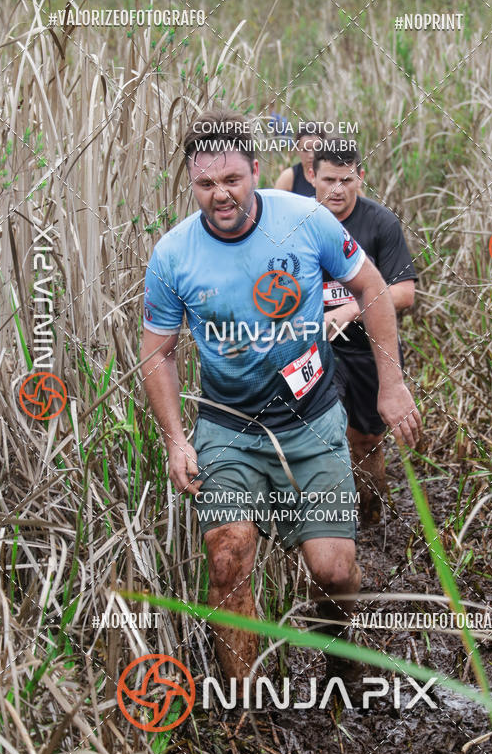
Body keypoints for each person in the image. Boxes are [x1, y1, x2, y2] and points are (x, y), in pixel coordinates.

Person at [140, 109, 421, 695]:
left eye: (232, 180)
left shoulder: (306, 220)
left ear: (256, 171)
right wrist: (175, 438)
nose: (220, 195)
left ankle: (342, 669)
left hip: (312, 420)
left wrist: (391, 384)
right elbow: (158, 354)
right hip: (229, 425)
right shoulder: (173, 255)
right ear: (190, 183)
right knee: (228, 556)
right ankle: (244, 707)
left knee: (334, 571)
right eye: (206, 184)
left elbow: (373, 288)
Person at [311, 139, 418, 525]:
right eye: (328, 180)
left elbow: (404, 292)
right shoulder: (299, 224)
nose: (337, 189)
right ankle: (331, 526)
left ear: (361, 176)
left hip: (371, 350)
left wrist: (353, 308)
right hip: (319, 350)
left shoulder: (380, 223)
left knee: (366, 442)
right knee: (323, 437)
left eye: (346, 179)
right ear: (311, 176)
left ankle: (372, 520)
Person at [274, 121, 319, 197]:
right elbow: (275, 205)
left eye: (317, 149)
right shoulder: (289, 177)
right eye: (305, 150)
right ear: (297, 150)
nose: (311, 155)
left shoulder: (334, 175)